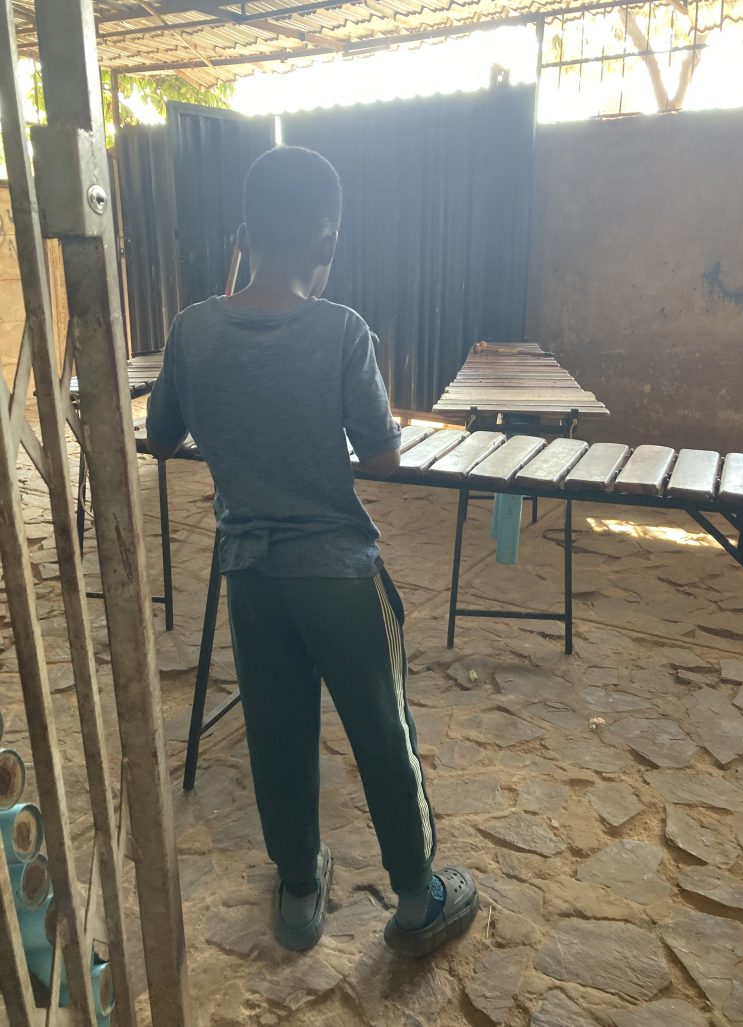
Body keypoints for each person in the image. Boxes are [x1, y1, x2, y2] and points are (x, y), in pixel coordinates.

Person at [145, 146, 478, 957]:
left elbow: (160, 435)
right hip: (338, 575)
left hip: (250, 576)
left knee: (276, 729)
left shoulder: (193, 328)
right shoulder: (341, 330)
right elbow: (382, 455)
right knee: (381, 727)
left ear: (244, 234)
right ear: (326, 241)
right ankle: (416, 897)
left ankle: (299, 890)